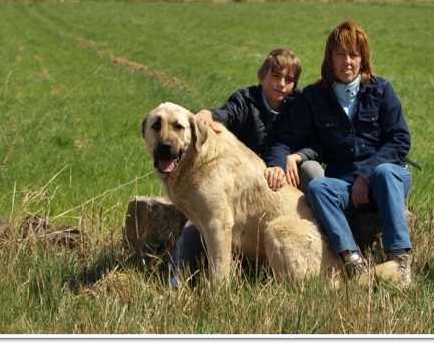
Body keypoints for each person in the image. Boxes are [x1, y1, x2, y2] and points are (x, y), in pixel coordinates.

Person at [265, 21, 414, 286]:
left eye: (354, 55)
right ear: (330, 58)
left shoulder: (381, 90)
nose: (347, 61)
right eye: (340, 54)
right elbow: (285, 138)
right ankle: (354, 263)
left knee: (383, 171)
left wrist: (365, 174)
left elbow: (399, 140)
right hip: (344, 184)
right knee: (319, 188)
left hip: (386, 178)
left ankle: (399, 259)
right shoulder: (313, 97)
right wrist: (278, 163)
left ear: (363, 59)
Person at [170, 48, 323, 287]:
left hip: (286, 178)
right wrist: (209, 115)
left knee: (314, 172)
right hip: (244, 185)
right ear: (262, 76)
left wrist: (296, 157)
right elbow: (227, 114)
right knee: (199, 222)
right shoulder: (245, 100)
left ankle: (327, 239)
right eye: (275, 75)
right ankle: (176, 281)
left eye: (289, 80)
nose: (281, 84)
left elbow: (317, 141)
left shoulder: (298, 105)